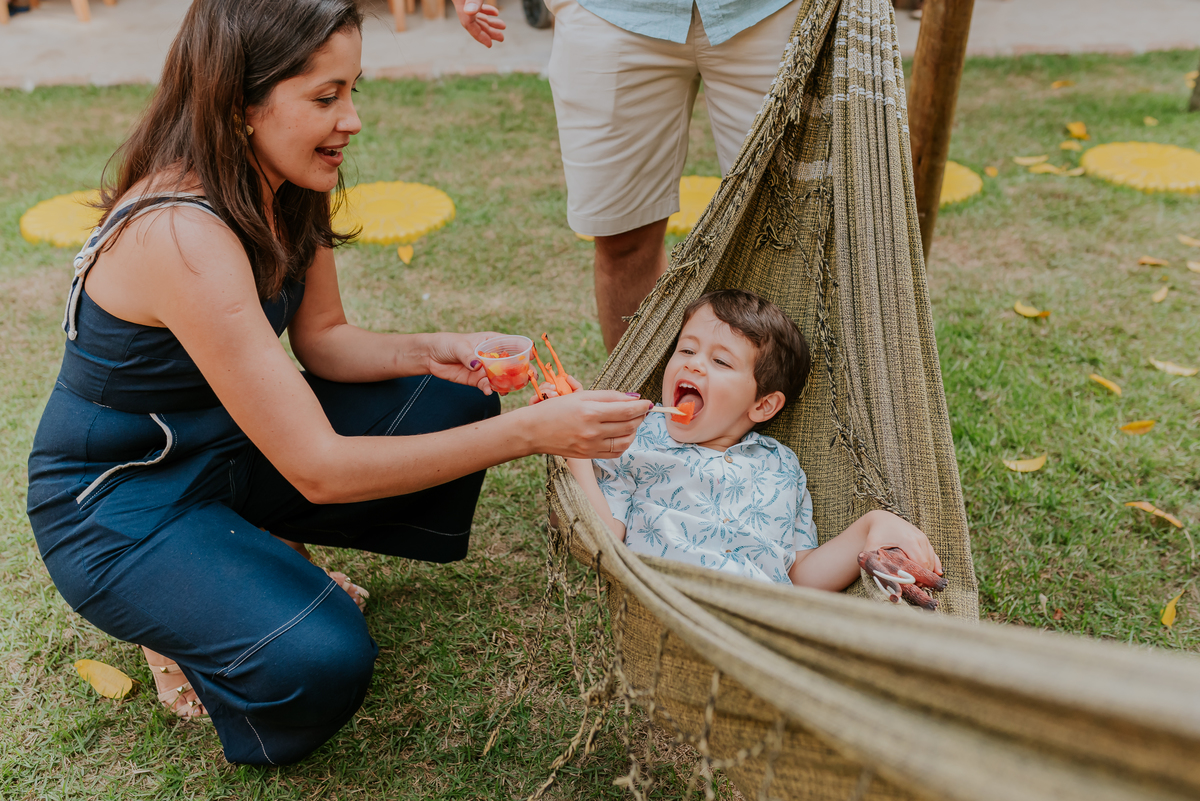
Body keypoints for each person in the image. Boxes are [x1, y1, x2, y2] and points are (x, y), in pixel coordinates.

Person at [25, 0, 651, 767]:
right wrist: (534, 432)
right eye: (325, 98)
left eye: (354, 90)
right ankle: (170, 616)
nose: (350, 120)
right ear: (239, 105)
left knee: (455, 396)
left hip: (230, 449)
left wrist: (441, 348)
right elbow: (320, 469)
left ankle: (243, 548)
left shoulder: (290, 178)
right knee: (320, 657)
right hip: (122, 498)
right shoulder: (180, 233)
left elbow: (324, 341)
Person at [453, 0, 805, 350]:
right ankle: (635, 404)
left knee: (788, 232)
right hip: (610, 14)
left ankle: (790, 403)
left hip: (768, 12)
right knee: (621, 238)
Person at [555, 290, 943, 589]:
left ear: (762, 405)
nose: (692, 362)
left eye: (720, 361)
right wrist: (573, 444)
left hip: (765, 617)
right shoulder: (634, 437)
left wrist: (872, 525)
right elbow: (604, 538)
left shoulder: (782, 465)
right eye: (686, 349)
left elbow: (802, 576)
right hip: (674, 599)